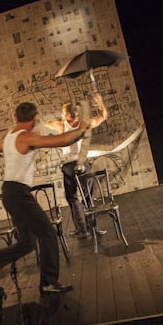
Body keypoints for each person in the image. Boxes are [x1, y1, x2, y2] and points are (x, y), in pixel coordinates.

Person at [0, 102, 95, 293]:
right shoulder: (26, 136)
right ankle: (48, 283)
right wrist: (81, 129)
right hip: (18, 194)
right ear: (34, 119)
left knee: (27, 243)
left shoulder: (9, 135)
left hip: (9, 193)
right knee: (48, 234)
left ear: (16, 118)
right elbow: (62, 141)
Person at [45, 93, 109, 236]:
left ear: (66, 114)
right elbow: (103, 116)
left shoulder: (61, 125)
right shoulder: (83, 124)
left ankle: (82, 229)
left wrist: (59, 121)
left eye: (63, 113)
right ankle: (93, 228)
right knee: (88, 197)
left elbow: (47, 124)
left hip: (68, 165)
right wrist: (100, 102)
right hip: (82, 163)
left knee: (72, 198)